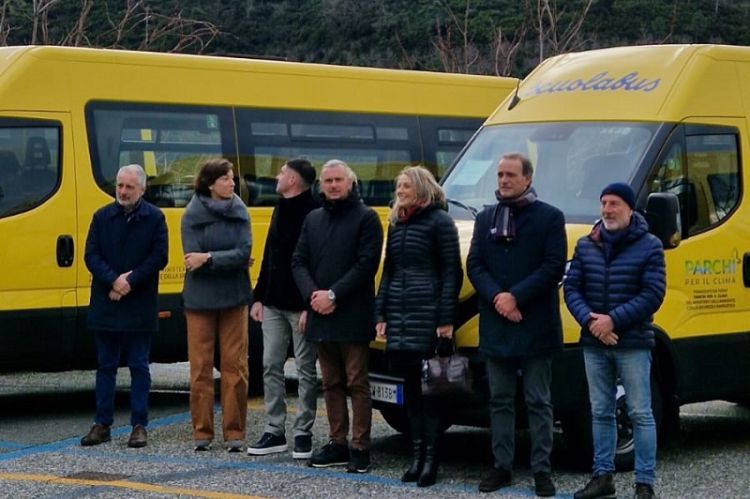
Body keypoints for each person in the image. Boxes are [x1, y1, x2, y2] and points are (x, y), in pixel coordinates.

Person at [466, 153, 566, 497]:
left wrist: (516, 297)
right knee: (500, 399)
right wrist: (498, 298)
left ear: (527, 178)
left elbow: (553, 267)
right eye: (499, 174)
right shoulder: (486, 218)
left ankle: (541, 469)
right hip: (498, 323)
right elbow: (475, 264)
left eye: (510, 174)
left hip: (534, 322)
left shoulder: (550, 218)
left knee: (539, 400)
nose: (503, 180)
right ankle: (501, 467)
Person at [564, 182, 666, 499]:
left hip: (633, 342)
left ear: (629, 209)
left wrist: (613, 320)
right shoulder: (585, 245)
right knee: (600, 411)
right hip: (594, 342)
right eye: (604, 203)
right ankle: (602, 476)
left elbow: (653, 294)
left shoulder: (650, 246)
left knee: (640, 413)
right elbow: (571, 289)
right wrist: (592, 322)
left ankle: (644, 483)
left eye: (614, 204)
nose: (607, 209)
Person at [291, 159, 383, 473]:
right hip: (320, 314)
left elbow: (366, 264)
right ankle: (337, 441)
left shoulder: (367, 218)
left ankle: (360, 446)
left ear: (350, 182)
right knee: (330, 384)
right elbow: (299, 261)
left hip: (352, 314)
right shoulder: (313, 219)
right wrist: (313, 295)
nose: (332, 185)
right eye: (327, 180)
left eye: (338, 180)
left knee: (357, 382)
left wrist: (333, 295)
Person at [374, 166, 462, 487]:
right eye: (399, 186)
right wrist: (380, 313)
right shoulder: (397, 223)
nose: (400, 190)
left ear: (422, 188)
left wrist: (445, 320)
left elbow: (452, 273)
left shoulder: (441, 222)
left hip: (428, 317)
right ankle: (416, 456)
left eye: (406, 186)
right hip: (399, 316)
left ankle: (430, 461)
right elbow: (389, 272)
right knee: (410, 393)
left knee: (431, 395)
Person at [81, 164, 168, 448]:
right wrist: (113, 282)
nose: (123, 191)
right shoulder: (102, 217)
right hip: (107, 302)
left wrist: (129, 281)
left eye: (129, 187)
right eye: (119, 185)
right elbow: (91, 255)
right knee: (106, 365)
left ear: (142, 189)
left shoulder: (155, 218)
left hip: (138, 303)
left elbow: (159, 257)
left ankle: (139, 425)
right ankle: (102, 423)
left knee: (139, 366)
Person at [247, 158, 319, 459]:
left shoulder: (313, 212)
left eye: (281, 173)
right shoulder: (280, 206)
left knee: (305, 369)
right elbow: (269, 254)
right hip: (274, 303)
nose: (276, 176)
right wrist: (259, 296)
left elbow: (316, 261)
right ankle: (275, 430)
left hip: (300, 305)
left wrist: (309, 305)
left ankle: (303, 432)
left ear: (293, 180)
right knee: (270, 365)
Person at [181, 158, 252, 453]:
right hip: (200, 300)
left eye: (232, 178)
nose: (232, 183)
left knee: (235, 366)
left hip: (234, 298)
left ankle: (235, 432)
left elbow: (244, 252)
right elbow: (190, 258)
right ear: (210, 183)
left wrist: (209, 259)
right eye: (226, 179)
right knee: (200, 368)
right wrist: (226, 259)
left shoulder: (240, 211)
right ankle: (202, 431)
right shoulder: (191, 215)